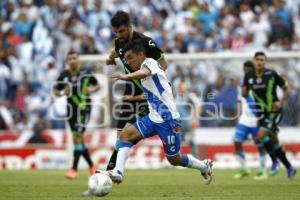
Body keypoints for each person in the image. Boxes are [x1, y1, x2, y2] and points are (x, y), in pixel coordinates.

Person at [103, 40, 212, 186]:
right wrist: (134, 97)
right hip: (153, 117)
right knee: (125, 136)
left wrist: (126, 77)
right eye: (126, 59)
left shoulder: (150, 63)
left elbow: (144, 72)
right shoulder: (146, 73)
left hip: (168, 120)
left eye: (130, 58)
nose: (127, 62)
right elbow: (151, 93)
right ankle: (118, 172)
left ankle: (204, 166)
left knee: (174, 159)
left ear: (141, 54)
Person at [105, 10, 168, 170]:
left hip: (147, 95)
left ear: (130, 27)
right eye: (116, 32)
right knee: (119, 136)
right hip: (129, 92)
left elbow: (164, 63)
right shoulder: (119, 42)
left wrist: (151, 78)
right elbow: (117, 51)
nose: (118, 35)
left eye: (121, 31)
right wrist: (110, 57)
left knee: (127, 135)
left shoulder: (146, 42)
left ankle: (111, 170)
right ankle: (112, 170)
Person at [242, 52, 297, 180]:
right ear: (254, 61)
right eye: (257, 59)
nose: (260, 62)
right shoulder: (249, 76)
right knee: (274, 142)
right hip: (261, 114)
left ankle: (274, 161)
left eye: (262, 60)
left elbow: (287, 89)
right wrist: (244, 90)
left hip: (274, 112)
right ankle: (289, 168)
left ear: (265, 62)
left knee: (259, 136)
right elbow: (244, 93)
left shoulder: (272, 74)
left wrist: (281, 102)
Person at [53, 51, 100, 179]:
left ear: (78, 60)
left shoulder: (86, 73)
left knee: (78, 136)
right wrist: (63, 92)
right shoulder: (64, 75)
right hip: (71, 110)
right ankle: (91, 165)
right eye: (70, 59)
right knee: (77, 139)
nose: (73, 61)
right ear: (67, 61)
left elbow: (97, 86)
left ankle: (73, 169)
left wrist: (91, 89)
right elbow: (55, 92)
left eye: (74, 58)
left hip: (84, 108)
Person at [233, 60, 268, 180]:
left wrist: (261, 118)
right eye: (245, 69)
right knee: (237, 142)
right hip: (244, 119)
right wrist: (238, 117)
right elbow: (239, 101)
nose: (246, 71)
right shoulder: (242, 84)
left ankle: (262, 171)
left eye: (249, 69)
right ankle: (244, 169)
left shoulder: (258, 84)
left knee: (260, 146)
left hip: (256, 120)